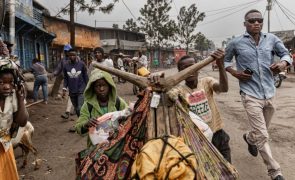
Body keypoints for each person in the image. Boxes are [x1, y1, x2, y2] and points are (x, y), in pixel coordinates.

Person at [224, 9, 292, 180]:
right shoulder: (236, 43)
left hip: (269, 92)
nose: (256, 23)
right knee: (263, 134)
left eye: (259, 20)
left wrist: (283, 63)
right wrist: (234, 72)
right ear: (244, 24)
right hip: (250, 93)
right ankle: (275, 171)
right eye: (252, 20)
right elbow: (225, 60)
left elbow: (285, 54)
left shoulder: (272, 39)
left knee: (260, 132)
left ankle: (249, 137)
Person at [167, 49, 231, 163]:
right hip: (197, 139)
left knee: (227, 170)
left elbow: (223, 88)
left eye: (192, 67)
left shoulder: (206, 82)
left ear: (198, 68)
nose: (190, 71)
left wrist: (221, 66)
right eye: (185, 69)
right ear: (180, 72)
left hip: (217, 134)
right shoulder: (179, 91)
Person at [75, 69, 127, 147]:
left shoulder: (118, 102)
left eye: (104, 85)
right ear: (92, 88)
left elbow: (130, 116)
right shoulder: (88, 106)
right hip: (95, 148)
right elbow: (78, 128)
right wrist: (86, 124)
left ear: (110, 86)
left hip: (115, 146)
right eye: (98, 86)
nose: (101, 89)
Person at [0, 59, 29, 180]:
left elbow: (22, 121)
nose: (7, 86)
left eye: (10, 82)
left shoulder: (13, 97)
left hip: (5, 146)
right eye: (1, 82)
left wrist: (21, 99)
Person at [62, 49, 88, 118]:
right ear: (68, 56)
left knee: (79, 108)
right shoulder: (66, 66)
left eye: (74, 55)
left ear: (76, 55)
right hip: (72, 91)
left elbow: (85, 76)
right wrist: (64, 88)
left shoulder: (81, 64)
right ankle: (81, 123)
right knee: (76, 109)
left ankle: (83, 123)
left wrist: (88, 86)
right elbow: (66, 78)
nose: (72, 56)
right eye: (70, 55)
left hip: (81, 90)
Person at [53, 44, 74, 119]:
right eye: (65, 51)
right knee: (70, 95)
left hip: (75, 80)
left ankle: (73, 110)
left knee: (75, 95)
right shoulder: (63, 60)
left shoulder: (76, 60)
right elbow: (59, 68)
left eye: (67, 51)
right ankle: (68, 112)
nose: (66, 53)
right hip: (67, 80)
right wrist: (54, 74)